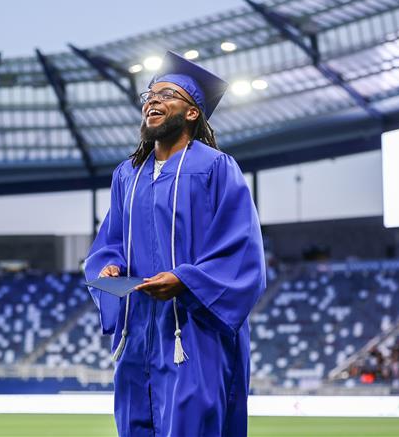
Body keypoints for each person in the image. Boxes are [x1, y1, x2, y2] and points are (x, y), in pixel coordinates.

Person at [85, 51, 266, 437]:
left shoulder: (216, 167)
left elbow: (241, 249)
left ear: (192, 113)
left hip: (193, 332)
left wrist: (185, 280)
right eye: (149, 95)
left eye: (166, 94)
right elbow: (109, 240)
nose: (153, 99)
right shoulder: (127, 175)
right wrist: (110, 265)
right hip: (137, 334)